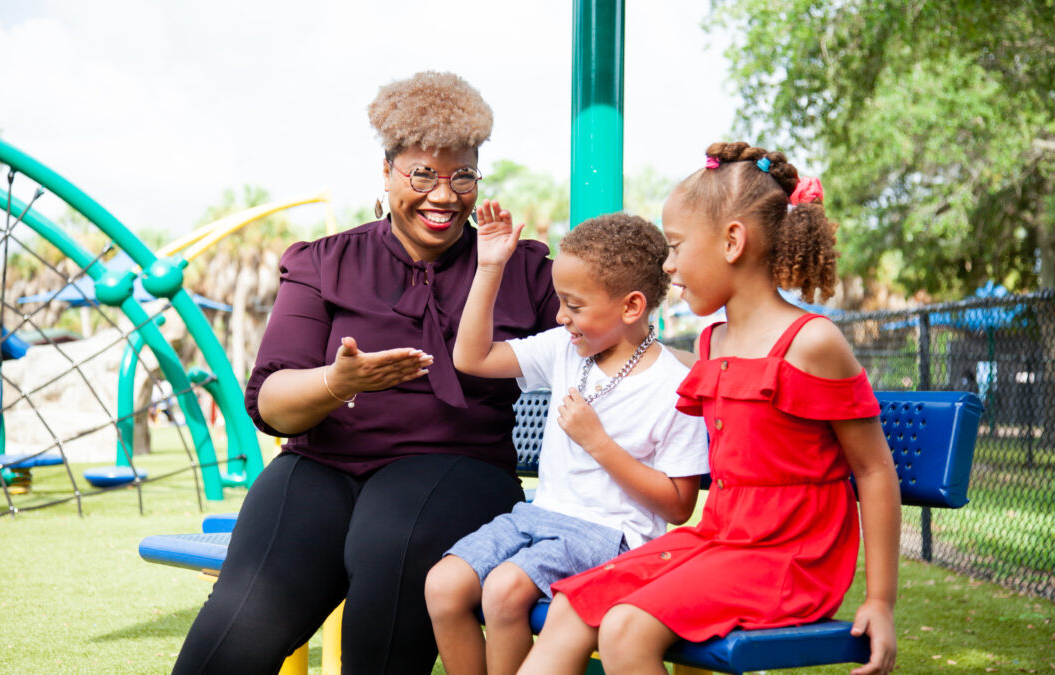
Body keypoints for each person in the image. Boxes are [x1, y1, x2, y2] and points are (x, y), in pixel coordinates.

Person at [172, 72, 559, 675]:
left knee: (389, 550)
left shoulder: (522, 268)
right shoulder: (323, 263)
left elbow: (606, 339)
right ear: (386, 172)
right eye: (422, 174)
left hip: (456, 469)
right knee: (232, 632)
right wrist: (338, 382)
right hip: (321, 466)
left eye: (462, 175)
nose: (444, 194)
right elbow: (272, 403)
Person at [517, 142, 902, 675]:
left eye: (674, 246)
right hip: (718, 539)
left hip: (787, 557)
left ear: (733, 241)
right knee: (572, 606)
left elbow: (874, 468)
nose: (668, 266)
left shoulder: (812, 342)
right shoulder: (712, 342)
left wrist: (880, 601)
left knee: (625, 629)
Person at [424, 211, 709, 675]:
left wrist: (599, 443)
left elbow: (678, 506)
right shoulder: (564, 347)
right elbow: (470, 357)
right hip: (540, 515)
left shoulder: (673, 387)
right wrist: (491, 267)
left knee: (502, 590)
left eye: (574, 306)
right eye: (560, 301)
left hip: (613, 536)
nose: (561, 316)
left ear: (631, 307)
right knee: (442, 585)